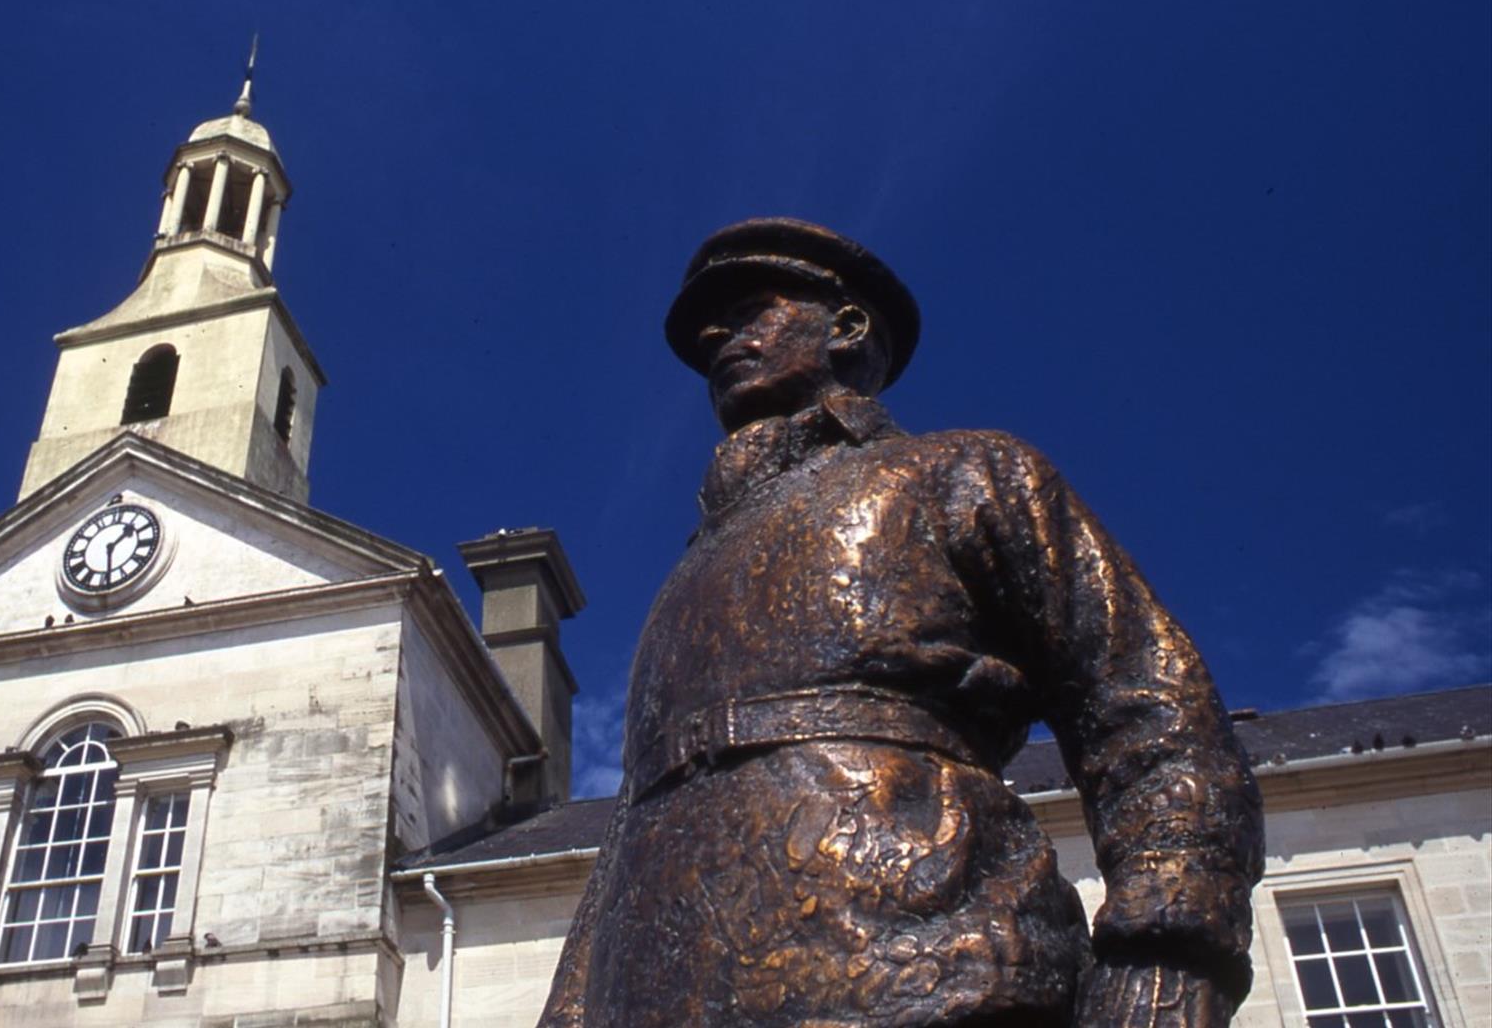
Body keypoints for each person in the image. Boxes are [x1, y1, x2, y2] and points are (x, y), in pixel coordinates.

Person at [536, 219, 1263, 1027]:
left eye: (749, 309)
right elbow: (628, 832)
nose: (716, 337)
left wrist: (1173, 951)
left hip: (927, 976)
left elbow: (1151, 706)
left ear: (846, 325)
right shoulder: (685, 578)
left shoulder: (968, 472)